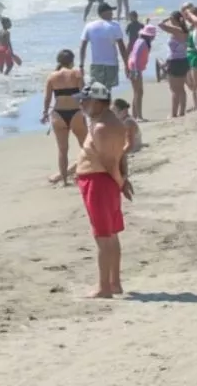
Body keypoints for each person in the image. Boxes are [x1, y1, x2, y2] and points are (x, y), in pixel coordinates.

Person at [74, 83, 132, 299]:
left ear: (98, 102)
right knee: (111, 234)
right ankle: (114, 282)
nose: (81, 104)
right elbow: (120, 153)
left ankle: (104, 287)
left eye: (85, 100)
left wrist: (120, 182)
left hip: (99, 183)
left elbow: (109, 160)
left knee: (103, 237)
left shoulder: (102, 127)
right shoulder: (106, 122)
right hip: (102, 181)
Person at [42, 50, 86, 186]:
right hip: (75, 113)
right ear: (71, 61)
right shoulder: (77, 74)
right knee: (86, 146)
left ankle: (65, 181)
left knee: (62, 149)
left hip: (58, 114)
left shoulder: (52, 76)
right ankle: (83, 173)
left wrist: (44, 113)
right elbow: (83, 94)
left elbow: (48, 98)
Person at [79, 2, 129, 91]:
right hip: (111, 64)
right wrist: (126, 64)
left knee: (97, 92)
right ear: (103, 13)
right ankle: (106, 105)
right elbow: (121, 47)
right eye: (110, 11)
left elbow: (83, 47)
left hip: (96, 64)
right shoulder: (114, 26)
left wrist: (81, 65)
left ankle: (100, 104)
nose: (112, 13)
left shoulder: (89, 26)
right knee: (107, 91)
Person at [158, 11, 191, 118]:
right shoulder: (185, 30)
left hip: (175, 62)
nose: (170, 21)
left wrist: (167, 18)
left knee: (174, 90)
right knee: (181, 89)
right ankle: (182, 112)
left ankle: (173, 113)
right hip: (183, 60)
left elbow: (160, 25)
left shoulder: (177, 30)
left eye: (172, 19)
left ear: (176, 20)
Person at [127, 24, 156, 122]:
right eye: (153, 35)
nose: (154, 37)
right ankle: (138, 116)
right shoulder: (142, 42)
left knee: (137, 92)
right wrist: (135, 71)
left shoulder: (142, 41)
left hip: (135, 68)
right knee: (138, 92)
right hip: (135, 68)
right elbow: (134, 56)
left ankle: (135, 115)